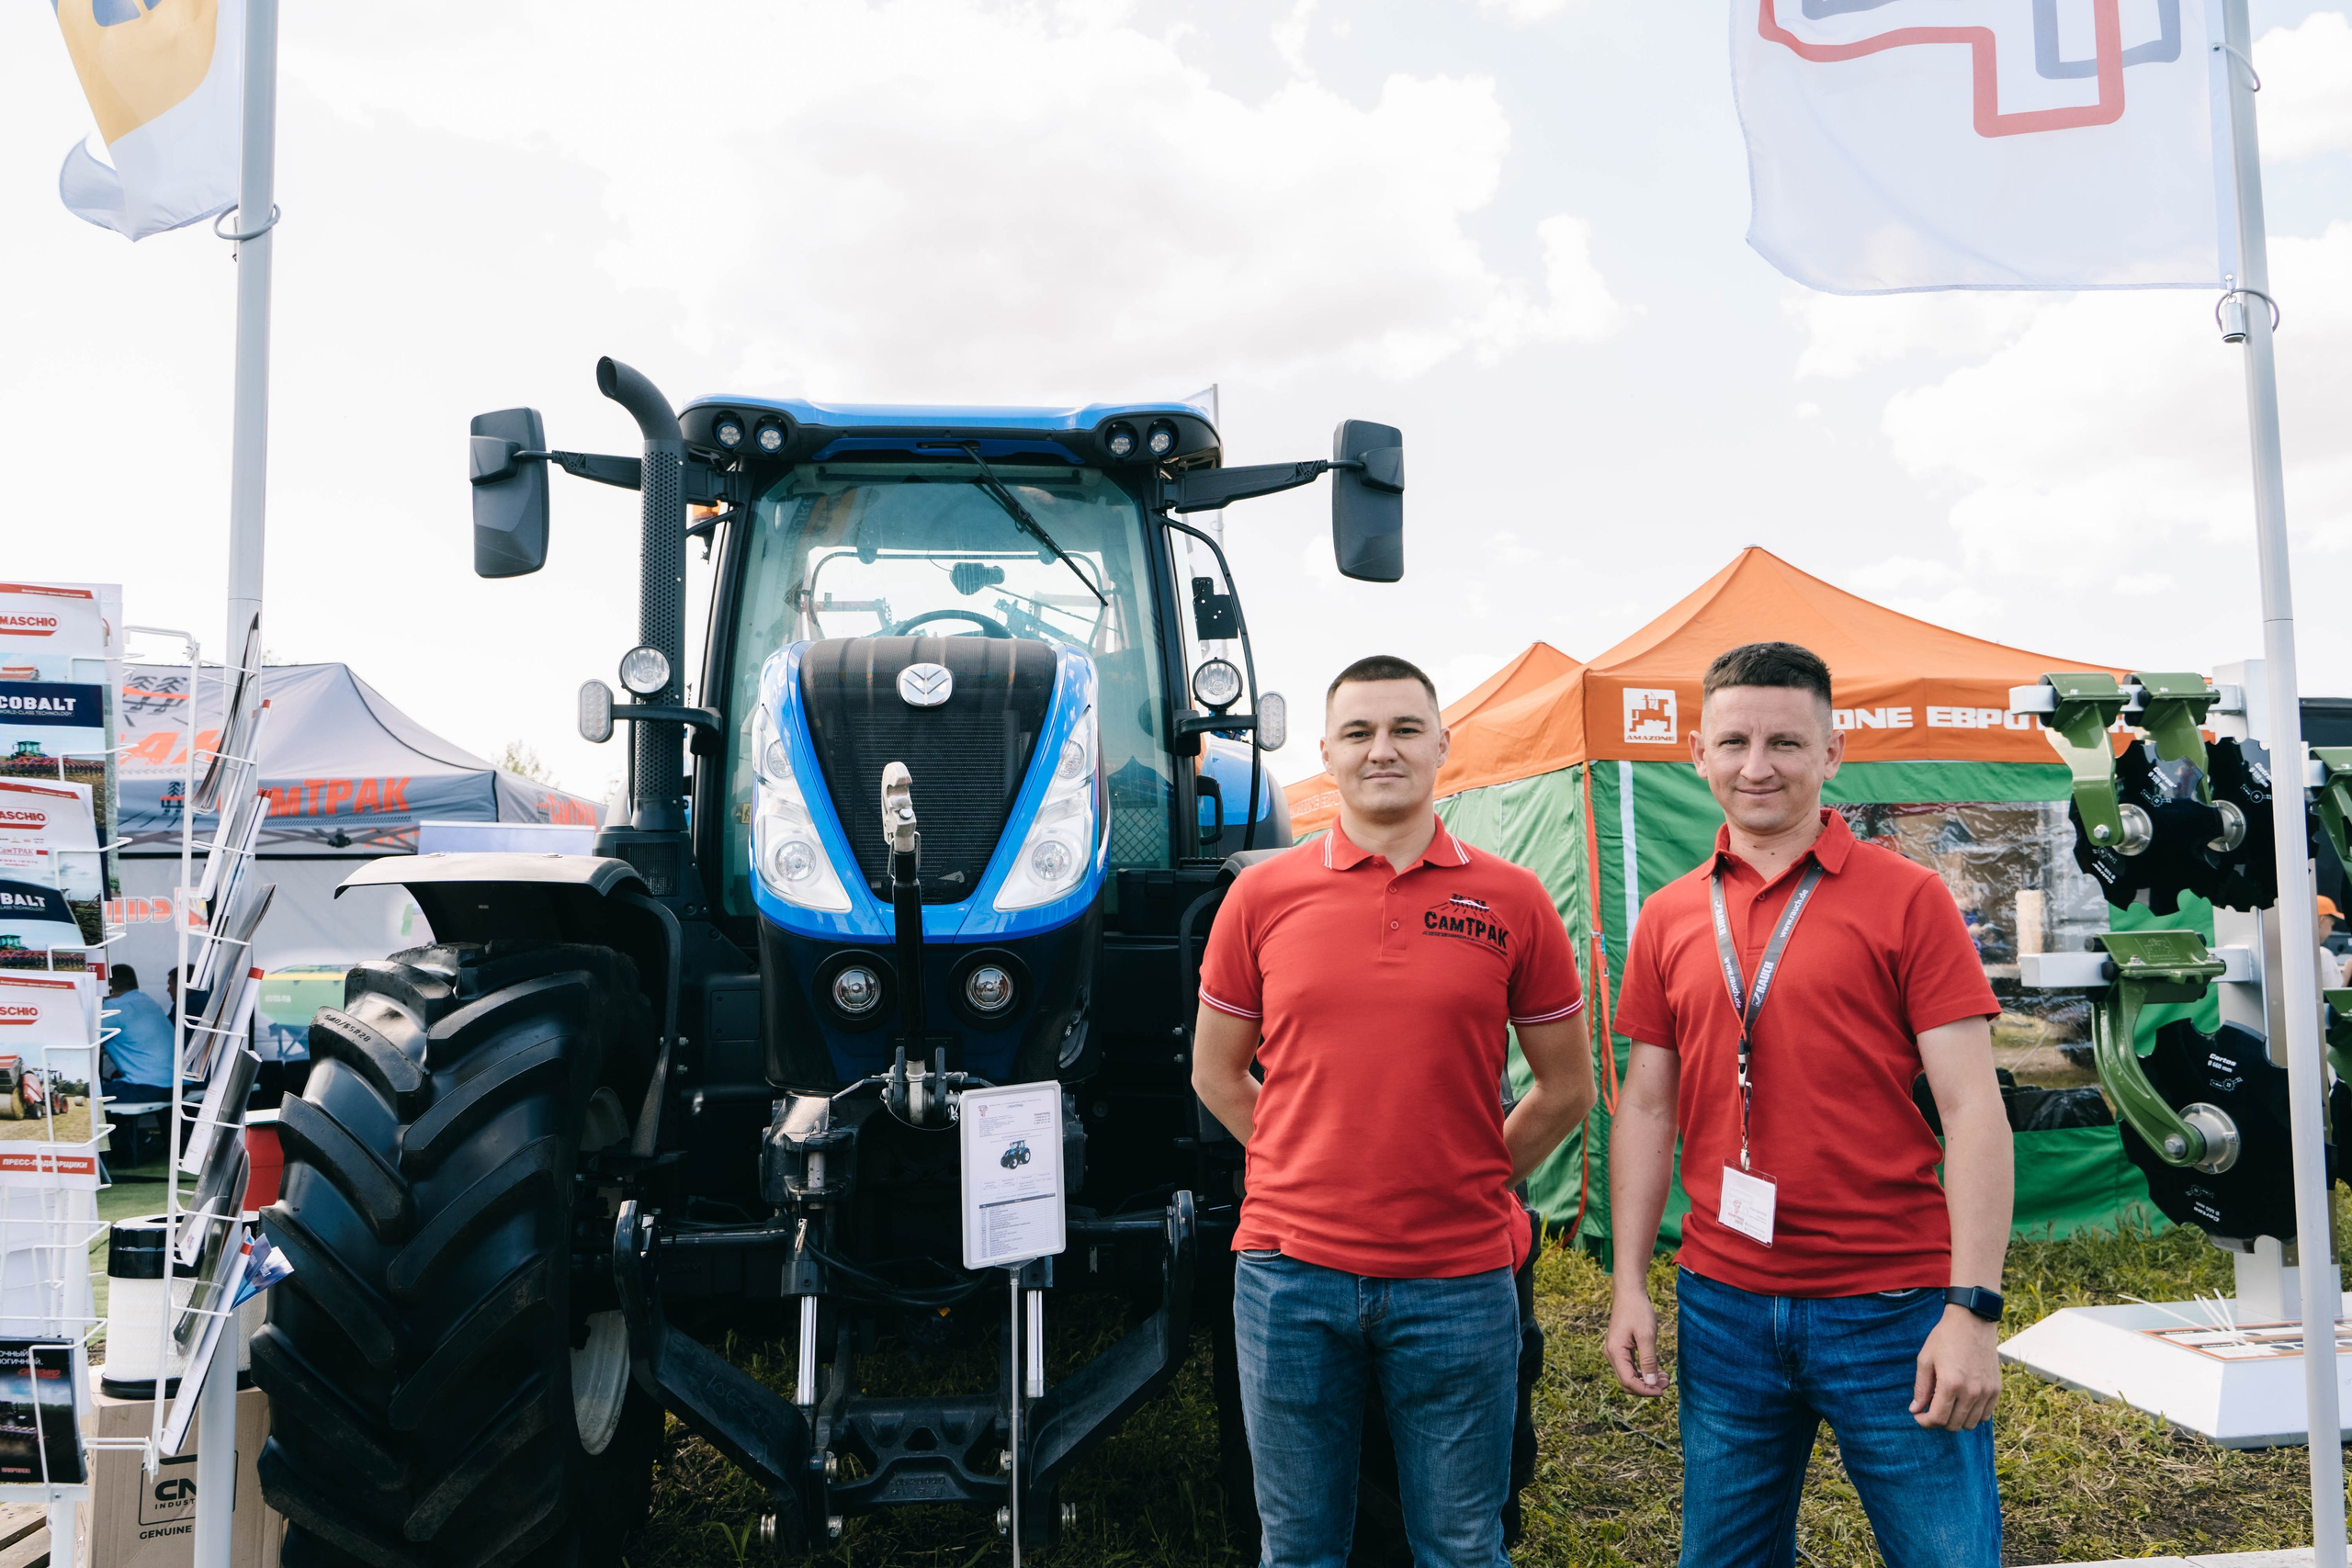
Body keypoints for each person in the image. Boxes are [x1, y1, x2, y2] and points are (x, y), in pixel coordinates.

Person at [1602, 641, 2011, 1568]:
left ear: (1831, 754)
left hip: (1891, 1305)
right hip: (1723, 1306)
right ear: (1697, 755)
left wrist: (1973, 1310)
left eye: (1785, 742)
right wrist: (1629, 1284)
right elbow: (1648, 1108)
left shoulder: (1909, 900)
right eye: (1733, 742)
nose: (1757, 766)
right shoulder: (1668, 915)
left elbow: (1972, 1109)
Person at [1192, 654, 1597, 1568]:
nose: (1383, 749)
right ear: (1326, 751)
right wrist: (1300, 1164)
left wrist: (1473, 1175)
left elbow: (1567, 1086)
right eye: (1360, 732)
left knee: (1460, 1544)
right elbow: (1215, 1073)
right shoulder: (1260, 896)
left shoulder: (1514, 898)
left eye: (1406, 728)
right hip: (1290, 1279)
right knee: (1298, 1547)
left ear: (1442, 745)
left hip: (1457, 1279)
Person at [101, 964, 178, 1102]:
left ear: (107, 987)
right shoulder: (147, 1001)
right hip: (179, 1085)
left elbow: (84, 1040)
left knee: (82, 1101)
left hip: (149, 1086)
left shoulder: (114, 1007)